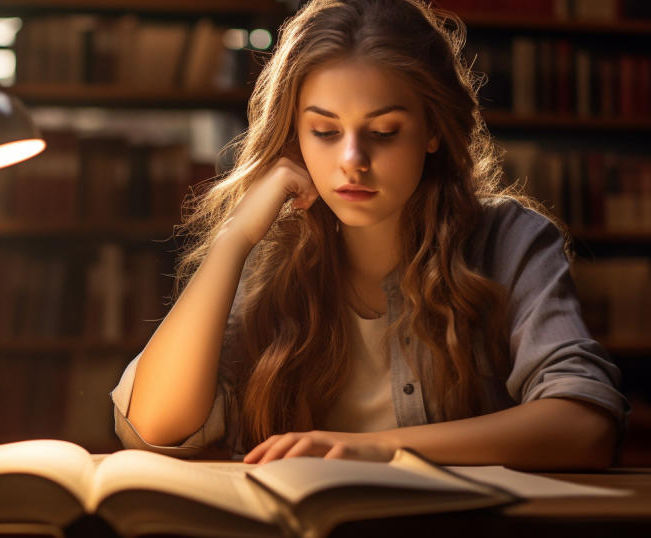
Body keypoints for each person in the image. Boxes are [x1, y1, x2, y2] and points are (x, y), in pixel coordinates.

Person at [110, 0, 629, 470]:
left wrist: (373, 449)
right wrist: (233, 238)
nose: (352, 161)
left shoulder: (508, 240)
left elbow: (584, 427)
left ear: (432, 131)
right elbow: (155, 427)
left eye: (383, 132)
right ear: (294, 134)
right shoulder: (267, 254)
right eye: (325, 131)